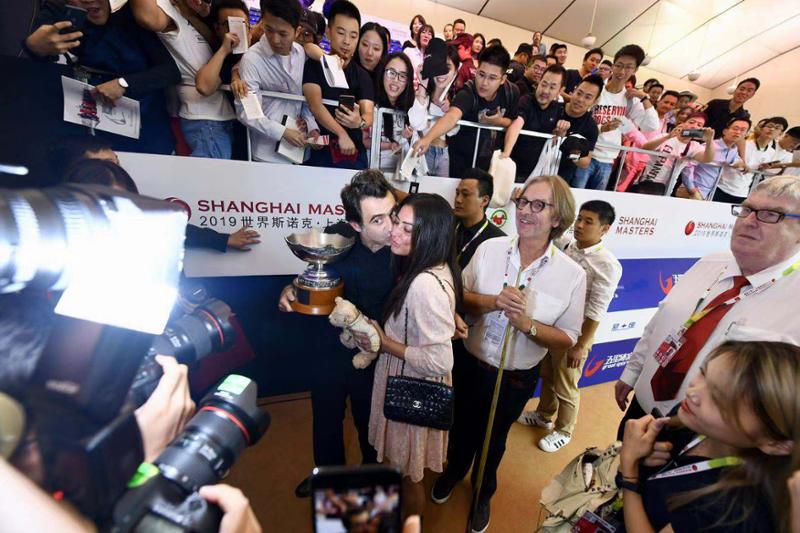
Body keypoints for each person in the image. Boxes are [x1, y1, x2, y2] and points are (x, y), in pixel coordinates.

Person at [432, 176, 585, 533]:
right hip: (470, 363)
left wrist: (528, 325)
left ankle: (482, 491)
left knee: (495, 437)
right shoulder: (490, 249)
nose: (526, 211)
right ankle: (454, 471)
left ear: (558, 217)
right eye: (523, 201)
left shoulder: (572, 275)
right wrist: (492, 302)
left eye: (538, 205)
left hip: (516, 377)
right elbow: (459, 296)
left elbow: (567, 337)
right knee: (460, 426)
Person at [615, 174, 800, 436]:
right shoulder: (711, 262)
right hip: (641, 413)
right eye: (746, 209)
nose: (748, 221)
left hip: (706, 441)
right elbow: (661, 321)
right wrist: (632, 372)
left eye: (771, 215)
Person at [279, 170, 396, 497]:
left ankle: (372, 483)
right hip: (327, 350)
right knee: (326, 421)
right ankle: (329, 480)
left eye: (392, 213)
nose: (391, 226)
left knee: (372, 426)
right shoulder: (336, 237)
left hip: (375, 356)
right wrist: (291, 288)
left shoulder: (404, 247)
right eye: (377, 220)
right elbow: (312, 273)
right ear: (355, 225)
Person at [619, 340, 796, 533]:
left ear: (776, 444)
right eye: (703, 373)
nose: (693, 392)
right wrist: (644, 461)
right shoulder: (689, 418)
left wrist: (629, 471)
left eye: (719, 399)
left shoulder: (735, 513)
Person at [358, 193, 460, 517]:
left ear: (431, 234)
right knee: (403, 470)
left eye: (407, 228)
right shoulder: (433, 267)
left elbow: (441, 361)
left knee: (408, 475)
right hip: (407, 377)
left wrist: (385, 343)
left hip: (411, 385)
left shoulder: (424, 285)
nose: (394, 232)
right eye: (396, 223)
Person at [518, 200, 622, 452]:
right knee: (547, 375)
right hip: (553, 325)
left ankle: (564, 430)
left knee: (566, 384)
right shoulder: (567, 245)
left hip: (575, 335)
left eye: (589, 222)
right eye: (579, 219)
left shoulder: (607, 264)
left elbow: (597, 309)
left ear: (604, 229)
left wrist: (581, 345)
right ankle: (544, 415)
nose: (580, 225)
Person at [24, 0, 180, 155]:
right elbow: (35, 65)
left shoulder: (132, 15)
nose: (88, 0)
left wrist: (123, 84)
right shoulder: (58, 12)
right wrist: (34, 49)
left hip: (145, 124)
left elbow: (170, 71)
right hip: (82, 126)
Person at [129, 0, 239, 159]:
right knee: (210, 174)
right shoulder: (168, 12)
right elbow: (146, 17)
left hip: (219, 118)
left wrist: (191, 13)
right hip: (204, 120)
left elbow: (213, 43)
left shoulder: (193, 17)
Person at [413, 45, 519, 178]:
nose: (484, 83)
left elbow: (513, 121)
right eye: (481, 74)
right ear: (476, 70)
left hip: (488, 162)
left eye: (492, 78)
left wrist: (498, 121)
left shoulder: (511, 92)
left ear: (503, 79)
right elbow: (452, 116)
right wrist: (427, 139)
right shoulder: (468, 92)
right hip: (460, 161)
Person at [236, 0, 319, 164]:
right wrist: (283, 132)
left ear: (297, 31)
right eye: (269, 29)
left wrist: (312, 127)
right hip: (265, 153)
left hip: (298, 150)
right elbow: (248, 113)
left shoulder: (301, 54)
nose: (275, 40)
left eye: (283, 34)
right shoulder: (252, 59)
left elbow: (303, 98)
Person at [574, 44, 659, 190]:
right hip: (586, 153)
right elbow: (579, 118)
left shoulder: (630, 99)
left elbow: (651, 126)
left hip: (608, 159)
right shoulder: (597, 90)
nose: (622, 71)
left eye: (628, 67)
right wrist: (601, 128)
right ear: (613, 66)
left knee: (595, 200)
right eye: (619, 65)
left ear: (635, 70)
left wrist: (644, 98)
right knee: (575, 195)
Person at [302, 0, 374, 169]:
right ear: (328, 32)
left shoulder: (362, 76)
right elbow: (315, 105)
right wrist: (341, 133)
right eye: (341, 33)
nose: (347, 41)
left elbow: (369, 114)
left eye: (353, 36)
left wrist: (360, 122)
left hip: (354, 156)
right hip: (320, 153)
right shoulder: (314, 65)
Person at [502, 64, 568, 181]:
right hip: (513, 168)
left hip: (538, 172)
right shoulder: (526, 100)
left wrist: (562, 131)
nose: (545, 91)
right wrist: (506, 155)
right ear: (539, 82)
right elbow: (516, 124)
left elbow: (556, 139)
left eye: (552, 87)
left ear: (560, 90)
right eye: (544, 84)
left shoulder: (558, 109)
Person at [627, 112, 715, 195]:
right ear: (683, 123)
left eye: (699, 125)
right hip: (644, 183)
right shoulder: (664, 136)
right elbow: (645, 148)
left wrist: (709, 141)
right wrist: (668, 137)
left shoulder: (694, 146)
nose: (694, 126)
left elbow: (707, 159)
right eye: (691, 122)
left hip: (665, 189)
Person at [715, 117, 786, 204]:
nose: (772, 129)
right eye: (769, 126)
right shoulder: (744, 143)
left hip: (742, 192)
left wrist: (763, 168)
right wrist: (742, 163)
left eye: (777, 128)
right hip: (721, 186)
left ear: (781, 134)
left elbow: (759, 170)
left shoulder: (771, 152)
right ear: (761, 128)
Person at [364, 53, 415, 172]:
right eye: (391, 73)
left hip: (400, 173)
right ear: (382, 73)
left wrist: (408, 137)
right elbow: (364, 140)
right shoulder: (370, 106)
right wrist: (388, 145)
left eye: (402, 76)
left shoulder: (411, 109)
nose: (396, 80)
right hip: (373, 172)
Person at [415, 44, 460, 177]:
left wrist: (449, 112)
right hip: (422, 151)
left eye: (447, 67)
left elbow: (453, 131)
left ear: (455, 71)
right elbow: (415, 122)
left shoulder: (455, 101)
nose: (441, 72)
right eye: (438, 66)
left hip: (443, 154)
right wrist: (422, 85)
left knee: (441, 190)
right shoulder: (421, 94)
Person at [679, 117, 749, 200]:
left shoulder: (733, 150)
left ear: (746, 134)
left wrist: (743, 164)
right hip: (692, 190)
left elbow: (735, 161)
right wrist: (691, 189)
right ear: (725, 131)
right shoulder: (710, 146)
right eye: (735, 128)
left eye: (742, 130)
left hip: (708, 193)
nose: (738, 132)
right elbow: (688, 165)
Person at [553, 75, 603, 184]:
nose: (580, 99)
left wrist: (572, 149)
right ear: (574, 91)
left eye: (588, 97)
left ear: (595, 101)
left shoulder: (591, 127)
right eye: (579, 93)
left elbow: (586, 162)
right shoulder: (554, 108)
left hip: (561, 178)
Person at [453, 168, 506, 270]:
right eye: (457, 193)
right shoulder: (445, 226)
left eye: (465, 194)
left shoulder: (497, 241)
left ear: (484, 200)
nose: (458, 200)